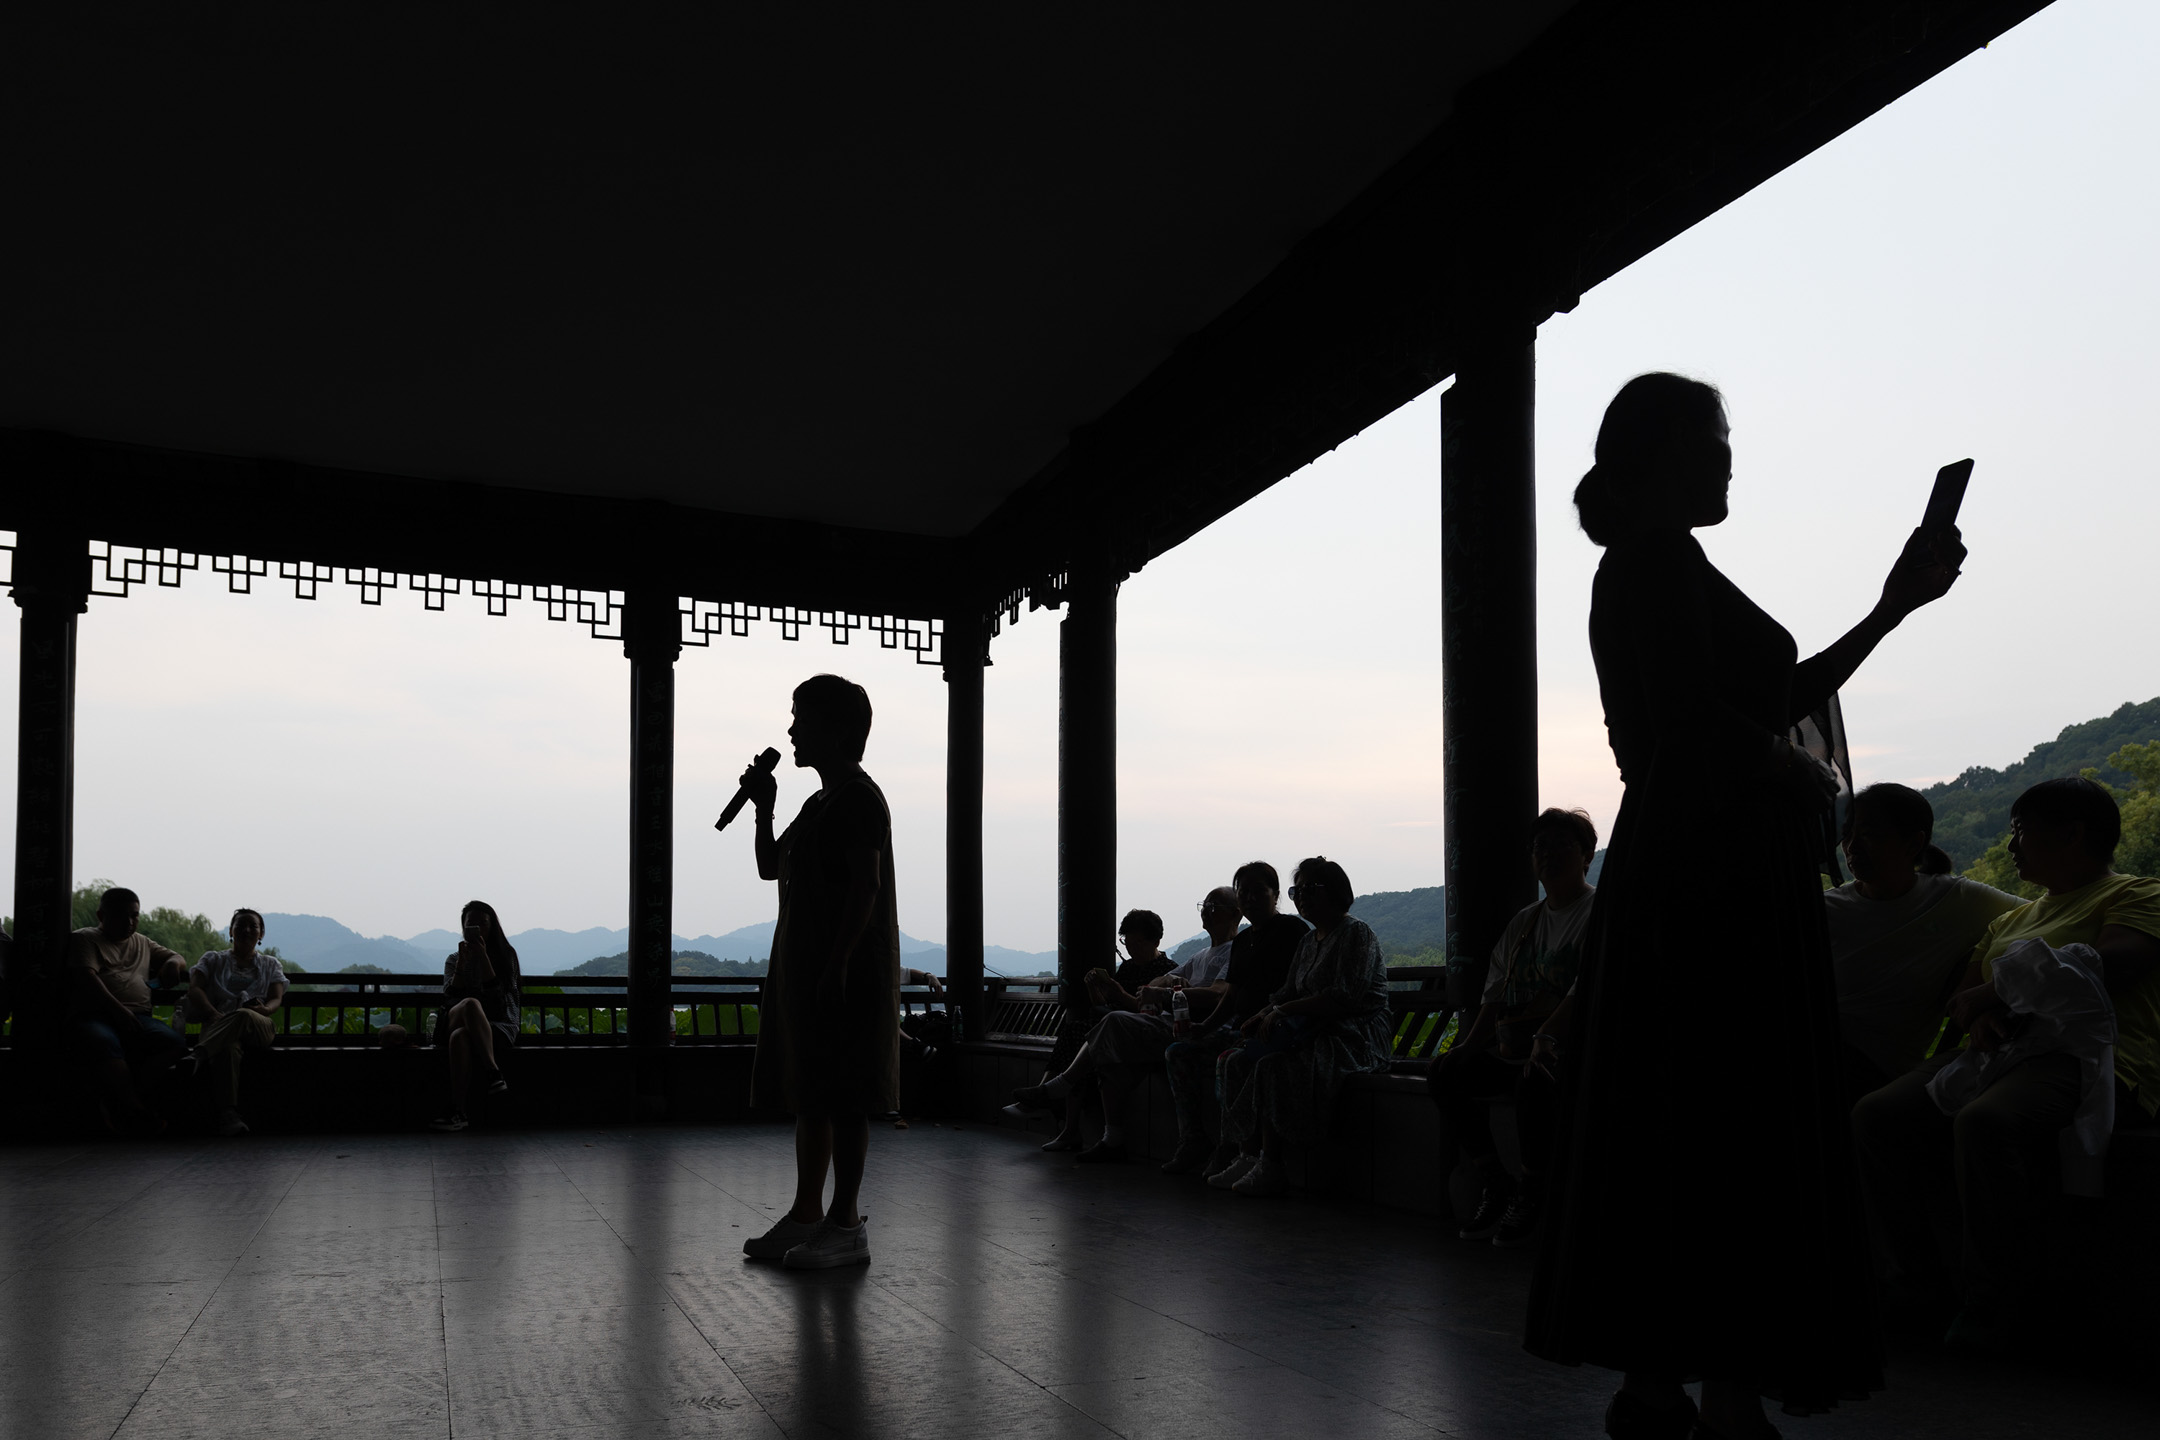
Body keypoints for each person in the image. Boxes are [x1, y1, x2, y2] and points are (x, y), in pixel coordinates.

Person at [1527, 373, 1964, 1440]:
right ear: (1667, 448)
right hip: (1709, 880)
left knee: (1685, 1122)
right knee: (1729, 1123)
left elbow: (1759, 703)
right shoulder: (1649, 564)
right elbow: (1692, 730)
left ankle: (1672, 1377)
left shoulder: (1657, 566)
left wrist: (1891, 609)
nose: (1730, 461)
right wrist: (1791, 771)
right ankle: (1715, 1381)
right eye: (1716, 440)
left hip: (1698, 873)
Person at [1851, 777, 2160, 1351]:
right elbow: (1965, 997)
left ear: (2072, 834)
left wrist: (1996, 998)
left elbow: (2111, 964)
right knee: (1877, 1114)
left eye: (2021, 831)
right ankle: (1914, 1285)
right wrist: (1980, 1016)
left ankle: (1996, 1303)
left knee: (1987, 1123)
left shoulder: (2136, 894)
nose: (2012, 845)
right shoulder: (2008, 922)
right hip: (1997, 1052)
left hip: (2088, 1055)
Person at [738, 674, 901, 1270]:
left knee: (846, 1093)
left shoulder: (859, 797)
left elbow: (866, 886)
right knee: (813, 1093)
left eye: (800, 718)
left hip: (844, 969)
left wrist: (837, 964)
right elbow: (767, 867)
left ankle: (846, 1221)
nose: (791, 730)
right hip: (807, 965)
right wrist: (764, 807)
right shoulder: (819, 802)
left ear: (835, 729)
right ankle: (808, 1212)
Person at [1432, 808, 1598, 1248]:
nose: (1549, 855)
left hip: (1570, 1049)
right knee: (1446, 1072)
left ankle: (1532, 1186)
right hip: (1521, 1046)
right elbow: (1495, 994)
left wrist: (1547, 1036)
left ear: (1587, 855)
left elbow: (1587, 987)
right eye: (1541, 847)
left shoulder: (1598, 912)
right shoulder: (1525, 922)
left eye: (1563, 845)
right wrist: (1468, 1047)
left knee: (1535, 1080)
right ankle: (1495, 1178)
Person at [1004, 889, 1242, 1162]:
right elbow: (1156, 983)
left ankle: (1059, 1089)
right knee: (1106, 1052)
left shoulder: (1234, 952)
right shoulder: (1200, 954)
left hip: (1192, 1028)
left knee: (1109, 1025)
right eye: (1204, 904)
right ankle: (1106, 1136)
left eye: (1214, 905)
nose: (1205, 910)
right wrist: (1166, 986)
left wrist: (1170, 992)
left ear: (1236, 913)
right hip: (1162, 1025)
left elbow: (1217, 993)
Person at [1825, 783, 2023, 1108]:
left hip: (1874, 1071)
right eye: (1847, 835)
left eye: (1869, 835)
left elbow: (2041, 917)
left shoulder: (1957, 900)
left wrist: (1987, 989)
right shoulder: (1825, 910)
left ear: (1913, 842)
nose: (1851, 848)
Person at [1208, 856, 1391, 1197]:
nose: (1302, 896)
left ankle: (1271, 1162)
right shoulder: (1309, 942)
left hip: (1352, 1035)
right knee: (1236, 1060)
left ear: (1335, 891)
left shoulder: (1356, 934)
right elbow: (1287, 991)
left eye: (1311, 888)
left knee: (1272, 1066)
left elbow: (1345, 997)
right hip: (1312, 1030)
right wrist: (1263, 1014)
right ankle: (1246, 1155)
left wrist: (1281, 1011)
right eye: (1299, 890)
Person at [1168, 862, 1309, 1175]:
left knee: (1230, 1060)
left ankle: (1232, 1146)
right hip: (1239, 1029)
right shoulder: (1243, 942)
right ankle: (1192, 1138)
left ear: (1275, 895)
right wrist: (1204, 1028)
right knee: (1179, 1051)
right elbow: (1231, 996)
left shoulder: (1291, 930)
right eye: (1244, 892)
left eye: (1258, 891)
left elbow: (1300, 984)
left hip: (1275, 1030)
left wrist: (1270, 1014)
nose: (1250, 898)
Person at [1007, 908, 1178, 1152]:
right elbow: (1106, 1010)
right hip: (1110, 1032)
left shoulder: (1168, 972)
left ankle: (1054, 1111)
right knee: (1077, 1031)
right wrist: (1096, 991)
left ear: (1156, 941)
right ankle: (1050, 1102)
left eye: (1136, 943)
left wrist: (1120, 995)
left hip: (1138, 1039)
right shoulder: (1128, 969)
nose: (1130, 949)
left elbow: (1149, 1017)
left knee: (1079, 1035)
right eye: (1126, 942)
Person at [66, 886, 187, 1132]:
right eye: (123, 915)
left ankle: (121, 1101)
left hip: (139, 1016)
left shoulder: (141, 942)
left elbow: (178, 957)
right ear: (102, 916)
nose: (130, 922)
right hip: (97, 1015)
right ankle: (135, 1109)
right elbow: (88, 979)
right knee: (103, 1042)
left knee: (174, 1044)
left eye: (135, 915)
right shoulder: (85, 938)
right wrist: (119, 1011)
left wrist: (173, 963)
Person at [177, 908, 289, 1137]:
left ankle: (198, 1055)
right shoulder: (212, 959)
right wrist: (212, 1014)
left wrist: (264, 1009)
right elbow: (195, 989)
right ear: (231, 931)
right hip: (218, 1025)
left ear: (261, 934)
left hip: (258, 1025)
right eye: (240, 925)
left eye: (253, 926)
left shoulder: (270, 964)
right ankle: (229, 1115)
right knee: (227, 1049)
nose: (246, 930)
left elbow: (277, 998)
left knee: (243, 1015)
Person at [430, 901, 522, 1133]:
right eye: (472, 924)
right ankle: (494, 1073)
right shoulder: (453, 959)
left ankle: (457, 1111)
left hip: (499, 1025)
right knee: (470, 1004)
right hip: (459, 1015)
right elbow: (450, 998)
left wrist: (483, 958)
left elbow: (500, 1003)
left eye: (483, 923)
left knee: (460, 1037)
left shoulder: (506, 956)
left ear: (493, 926)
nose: (478, 928)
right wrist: (463, 961)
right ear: (463, 927)